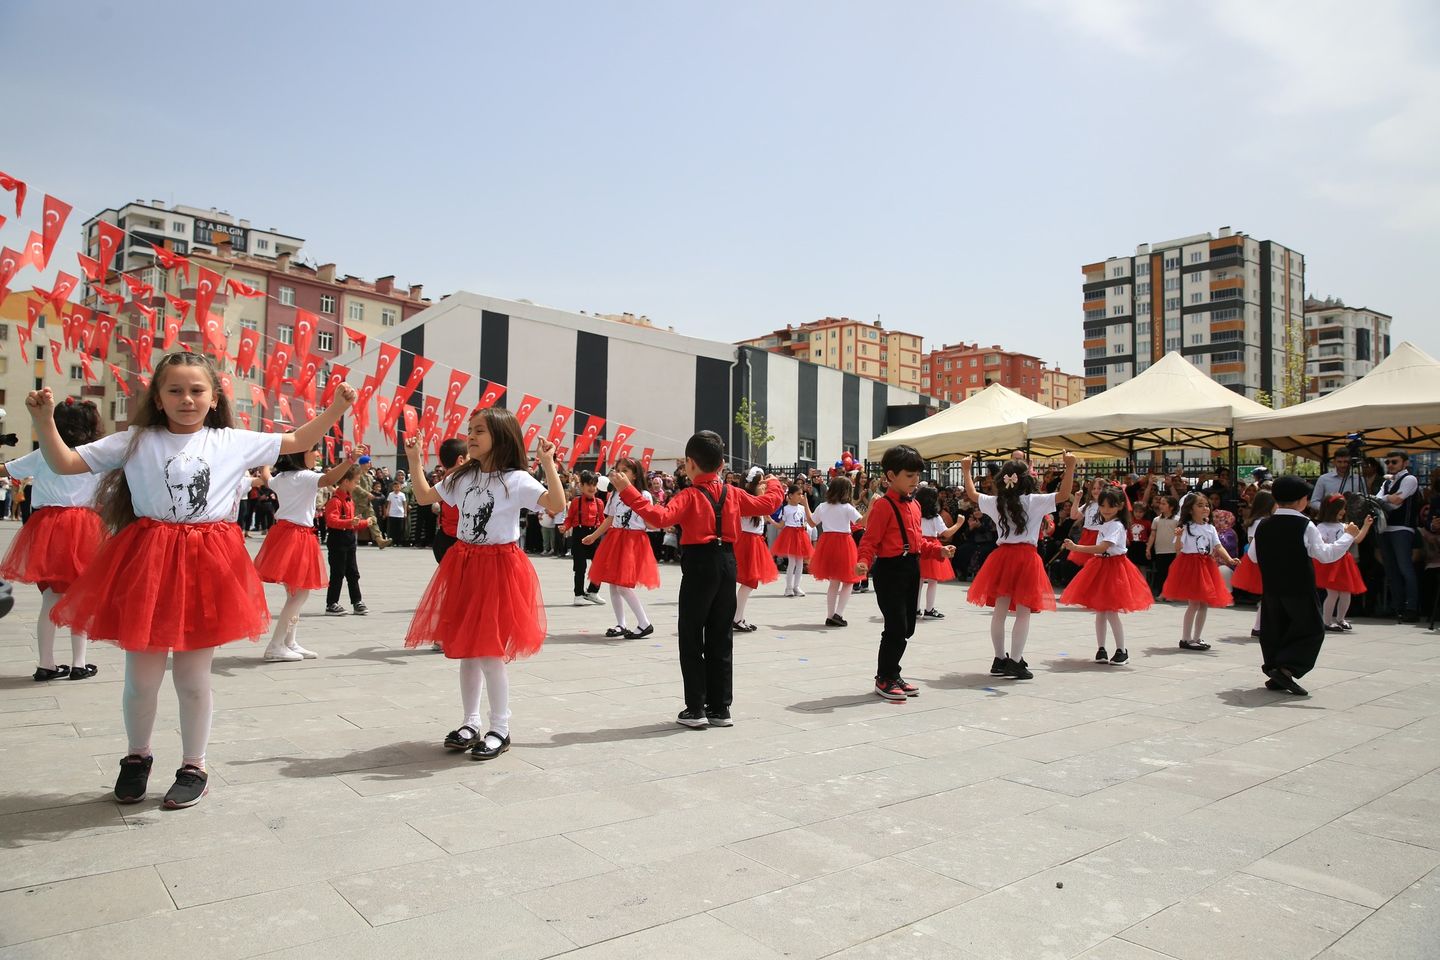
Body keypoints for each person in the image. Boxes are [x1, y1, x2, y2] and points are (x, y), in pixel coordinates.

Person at [29, 353, 354, 809]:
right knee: (141, 678)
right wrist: (44, 422)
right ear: (158, 399)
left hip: (207, 565)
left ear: (214, 397)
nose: (187, 399)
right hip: (147, 561)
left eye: (197, 390)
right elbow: (64, 463)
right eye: (175, 390)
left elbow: (299, 437)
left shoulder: (232, 440)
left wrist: (336, 409)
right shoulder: (135, 440)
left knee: (193, 677)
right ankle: (137, 757)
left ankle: (193, 765)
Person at [402, 411, 566, 759]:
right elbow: (423, 496)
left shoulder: (516, 479)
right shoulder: (463, 475)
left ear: (501, 437)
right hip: (464, 565)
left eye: (479, 431)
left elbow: (556, 504)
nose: (471, 436)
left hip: (497, 568)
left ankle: (500, 728)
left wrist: (548, 463)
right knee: (467, 651)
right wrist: (415, 459)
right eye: (470, 430)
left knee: (489, 652)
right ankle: (470, 722)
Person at [612, 430, 783, 729]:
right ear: (721, 464)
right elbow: (768, 504)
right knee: (720, 636)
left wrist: (629, 491)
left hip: (700, 566)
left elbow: (659, 517)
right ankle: (720, 708)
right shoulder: (733, 493)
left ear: (690, 463)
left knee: (691, 636)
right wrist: (775, 483)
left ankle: (696, 708)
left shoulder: (689, 495)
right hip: (728, 564)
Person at [0, 399, 105, 681]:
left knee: (50, 597)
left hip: (46, 527)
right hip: (84, 527)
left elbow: (6, 470)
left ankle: (46, 663)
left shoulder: (44, 452)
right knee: (80, 596)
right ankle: (79, 663)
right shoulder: (95, 454)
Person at [962, 452, 1076, 681]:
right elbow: (1064, 494)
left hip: (1002, 557)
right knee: (1023, 612)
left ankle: (999, 659)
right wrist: (1070, 467)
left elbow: (973, 495)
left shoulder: (996, 502)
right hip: (1025, 557)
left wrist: (966, 470)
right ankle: (1015, 660)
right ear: (1027, 479)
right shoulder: (1034, 500)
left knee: (1000, 611)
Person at [857, 445, 958, 700]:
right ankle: (884, 678)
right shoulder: (883, 506)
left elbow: (918, 542)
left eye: (917, 476)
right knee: (896, 625)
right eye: (910, 476)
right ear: (891, 476)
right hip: (890, 570)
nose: (916, 481)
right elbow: (870, 540)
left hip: (912, 567)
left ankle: (893, 673)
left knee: (908, 627)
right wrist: (863, 562)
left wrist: (939, 551)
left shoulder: (914, 505)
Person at [1254, 476, 1366, 695]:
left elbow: (1254, 556)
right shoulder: (1305, 525)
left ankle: (1277, 669)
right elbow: (1325, 555)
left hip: (1272, 588)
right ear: (1301, 500)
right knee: (1312, 629)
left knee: (1276, 628)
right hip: (1299, 587)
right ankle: (1286, 669)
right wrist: (1348, 536)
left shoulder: (1264, 524)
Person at [253, 445, 357, 661]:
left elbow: (265, 476)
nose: (317, 455)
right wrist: (348, 461)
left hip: (283, 534)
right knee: (299, 593)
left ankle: (289, 642)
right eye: (313, 450)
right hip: (297, 536)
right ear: (302, 454)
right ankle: (276, 645)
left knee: (295, 593)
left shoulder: (281, 478)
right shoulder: (305, 476)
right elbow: (329, 479)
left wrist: (265, 457)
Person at [1060, 487, 1153, 664]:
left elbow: (1103, 547)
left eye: (1110, 505)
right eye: (1102, 505)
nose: (1105, 509)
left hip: (1114, 567)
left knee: (1110, 612)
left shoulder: (1117, 525)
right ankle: (1101, 649)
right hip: (1101, 565)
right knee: (1101, 611)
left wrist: (1077, 547)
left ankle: (1121, 650)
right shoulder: (1106, 524)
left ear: (1119, 507)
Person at [583, 456, 659, 639]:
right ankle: (621, 623)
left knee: (623, 586)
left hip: (632, 541)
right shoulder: (615, 494)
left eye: (625, 470)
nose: (620, 473)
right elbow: (609, 519)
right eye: (618, 470)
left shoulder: (644, 494)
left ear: (634, 475)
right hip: (615, 538)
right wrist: (594, 536)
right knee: (613, 584)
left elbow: (650, 521)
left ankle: (644, 622)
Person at [1162, 492, 1240, 651]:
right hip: (1191, 565)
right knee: (1194, 603)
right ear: (1190, 509)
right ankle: (1186, 638)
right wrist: (1178, 537)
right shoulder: (1185, 527)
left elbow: (1218, 547)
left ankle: (1196, 637)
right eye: (1200, 505)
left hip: (1206, 565)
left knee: (1204, 603)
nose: (1205, 508)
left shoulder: (1210, 527)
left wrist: (1229, 560)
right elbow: (1178, 549)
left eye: (1206, 505)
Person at [324, 465, 389, 616]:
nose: (357, 485)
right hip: (337, 539)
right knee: (337, 573)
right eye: (356, 481)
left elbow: (353, 523)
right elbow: (331, 520)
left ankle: (357, 601)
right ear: (346, 481)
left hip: (349, 539)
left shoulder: (349, 501)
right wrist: (350, 522)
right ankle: (331, 603)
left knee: (353, 572)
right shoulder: (335, 501)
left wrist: (366, 522)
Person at [809, 475, 863, 627]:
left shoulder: (822, 506)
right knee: (849, 581)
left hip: (827, 543)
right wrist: (872, 505)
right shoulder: (847, 508)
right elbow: (863, 522)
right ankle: (838, 614)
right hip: (844, 544)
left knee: (834, 582)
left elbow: (811, 522)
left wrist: (805, 504)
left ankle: (830, 615)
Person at [1314, 495, 1372, 631]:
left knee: (1346, 592)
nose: (1344, 511)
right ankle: (1327, 621)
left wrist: (1366, 525)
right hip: (1331, 562)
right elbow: (1321, 543)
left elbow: (1356, 539)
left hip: (1344, 562)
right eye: (1341, 508)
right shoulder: (1322, 526)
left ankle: (1341, 619)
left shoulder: (1345, 526)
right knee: (1333, 593)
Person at [1378, 450, 1422, 622]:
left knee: (1405, 569)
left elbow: (1395, 502)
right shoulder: (1388, 481)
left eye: (1394, 462)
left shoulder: (1409, 479)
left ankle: (1411, 608)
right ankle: (1397, 607)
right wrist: (1390, 498)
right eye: (1387, 462)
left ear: (1405, 463)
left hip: (1402, 528)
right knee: (1391, 570)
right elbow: (1378, 499)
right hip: (1386, 529)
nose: (1389, 465)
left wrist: (1386, 499)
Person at [732, 467, 777, 633]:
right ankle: (736, 617)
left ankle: (737, 617)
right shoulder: (750, 501)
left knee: (748, 582)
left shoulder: (754, 500)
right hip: (747, 542)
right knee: (748, 582)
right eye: (762, 483)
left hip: (753, 541)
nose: (764, 486)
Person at [1231, 491, 1276, 637]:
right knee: (1269, 594)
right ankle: (1259, 626)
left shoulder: (1258, 521)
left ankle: (1261, 625)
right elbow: (1256, 543)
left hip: (1259, 559)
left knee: (1268, 595)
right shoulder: (1260, 522)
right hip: (1260, 561)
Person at [915, 485, 962, 619]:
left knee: (918, 580)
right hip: (933, 546)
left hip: (919, 545)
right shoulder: (935, 517)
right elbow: (946, 533)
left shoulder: (915, 514)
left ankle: (915, 609)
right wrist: (958, 524)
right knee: (932, 580)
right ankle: (929, 609)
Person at [562, 471, 606, 607]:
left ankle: (593, 591)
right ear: (581, 486)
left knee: (600, 564)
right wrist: (565, 527)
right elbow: (569, 518)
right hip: (579, 534)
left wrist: (606, 533)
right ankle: (579, 594)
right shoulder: (575, 502)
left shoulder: (599, 503)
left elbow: (603, 521)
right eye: (588, 485)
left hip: (595, 535)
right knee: (580, 567)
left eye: (594, 485)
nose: (592, 488)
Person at [770, 484, 814, 597]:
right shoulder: (785, 509)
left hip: (800, 535)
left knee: (800, 562)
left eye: (801, 494)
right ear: (790, 495)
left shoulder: (803, 508)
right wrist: (770, 520)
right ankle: (788, 587)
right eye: (798, 494)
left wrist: (804, 525)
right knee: (792, 562)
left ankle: (796, 586)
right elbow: (781, 525)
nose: (801, 496)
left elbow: (805, 521)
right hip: (790, 535)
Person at [1146, 495, 1179, 598]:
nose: (1161, 505)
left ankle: (1170, 593)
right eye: (1160, 503)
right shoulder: (1156, 520)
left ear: (1171, 507)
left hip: (1173, 550)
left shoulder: (1177, 520)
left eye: (1164, 504)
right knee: (1161, 572)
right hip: (1160, 550)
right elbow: (1152, 535)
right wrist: (1148, 548)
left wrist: (1179, 550)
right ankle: (1162, 592)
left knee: (1172, 573)